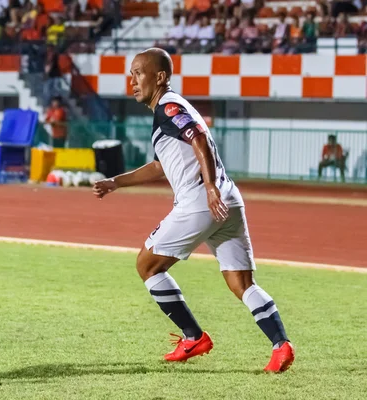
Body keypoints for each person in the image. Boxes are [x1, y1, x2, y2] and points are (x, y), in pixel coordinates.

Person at [92, 48, 294, 373]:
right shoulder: (168, 112)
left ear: (160, 77)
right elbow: (160, 167)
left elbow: (197, 136)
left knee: (147, 265)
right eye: (131, 74)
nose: (132, 81)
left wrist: (209, 185)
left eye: (139, 73)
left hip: (202, 199)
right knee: (241, 282)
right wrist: (117, 181)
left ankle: (193, 337)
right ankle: (281, 345)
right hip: (226, 197)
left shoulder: (170, 106)